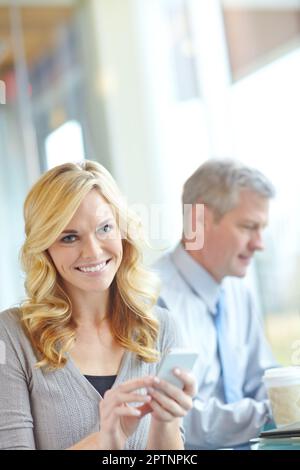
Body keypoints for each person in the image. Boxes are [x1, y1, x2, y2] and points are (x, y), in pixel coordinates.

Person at [0, 161, 195, 450]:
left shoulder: (161, 327)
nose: (93, 251)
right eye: (69, 237)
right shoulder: (11, 336)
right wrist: (106, 439)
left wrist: (166, 421)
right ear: (45, 249)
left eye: (105, 228)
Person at [154, 158, 278, 449]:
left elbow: (262, 381)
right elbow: (170, 415)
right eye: (249, 227)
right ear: (200, 221)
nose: (259, 243)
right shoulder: (152, 298)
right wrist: (270, 414)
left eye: (262, 228)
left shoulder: (239, 292)